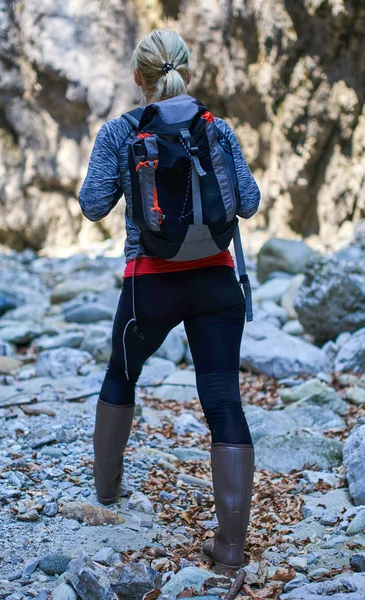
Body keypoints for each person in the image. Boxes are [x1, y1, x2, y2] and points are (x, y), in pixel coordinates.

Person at [78, 29, 261, 574]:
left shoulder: (120, 131)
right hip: (217, 286)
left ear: (139, 78)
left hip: (149, 285)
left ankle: (108, 492)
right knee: (224, 402)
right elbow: (248, 202)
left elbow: (92, 206)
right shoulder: (216, 127)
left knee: (121, 375)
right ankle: (230, 548)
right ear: (188, 71)